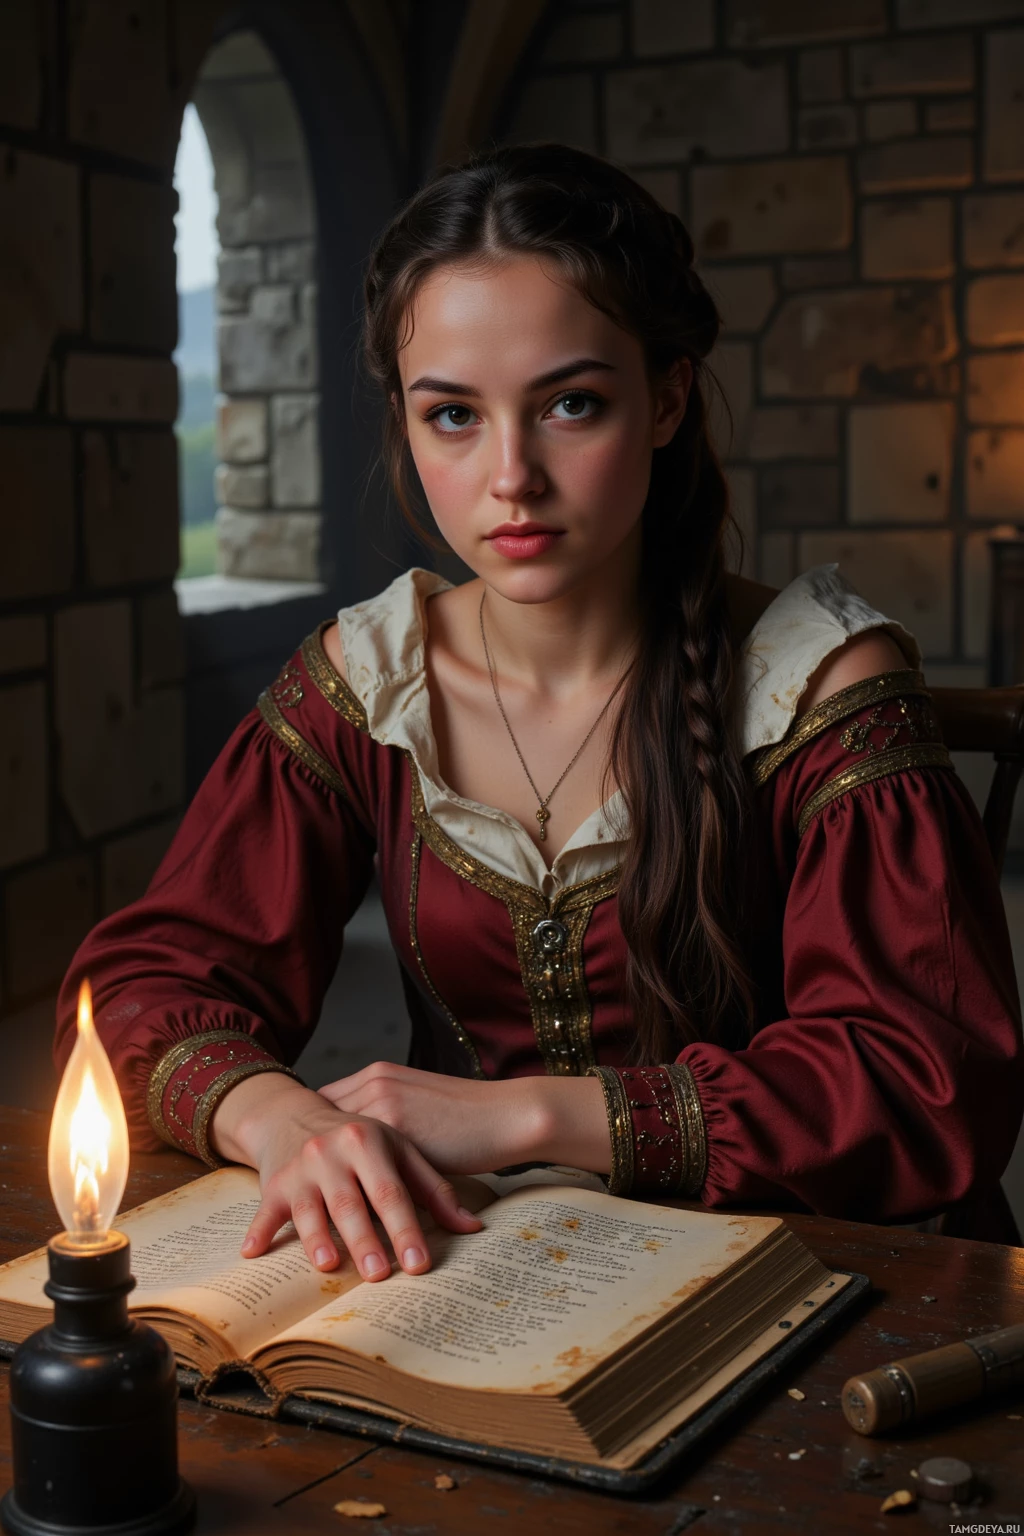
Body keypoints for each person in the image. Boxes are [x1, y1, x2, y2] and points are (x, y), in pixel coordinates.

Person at [58, 144, 1023, 1278]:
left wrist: (528, 1116)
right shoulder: (367, 683)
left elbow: (923, 1084)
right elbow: (146, 987)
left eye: (570, 403)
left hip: (790, 1264)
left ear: (665, 399)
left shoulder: (815, 682)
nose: (510, 475)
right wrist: (281, 1117)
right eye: (453, 416)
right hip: (468, 1269)